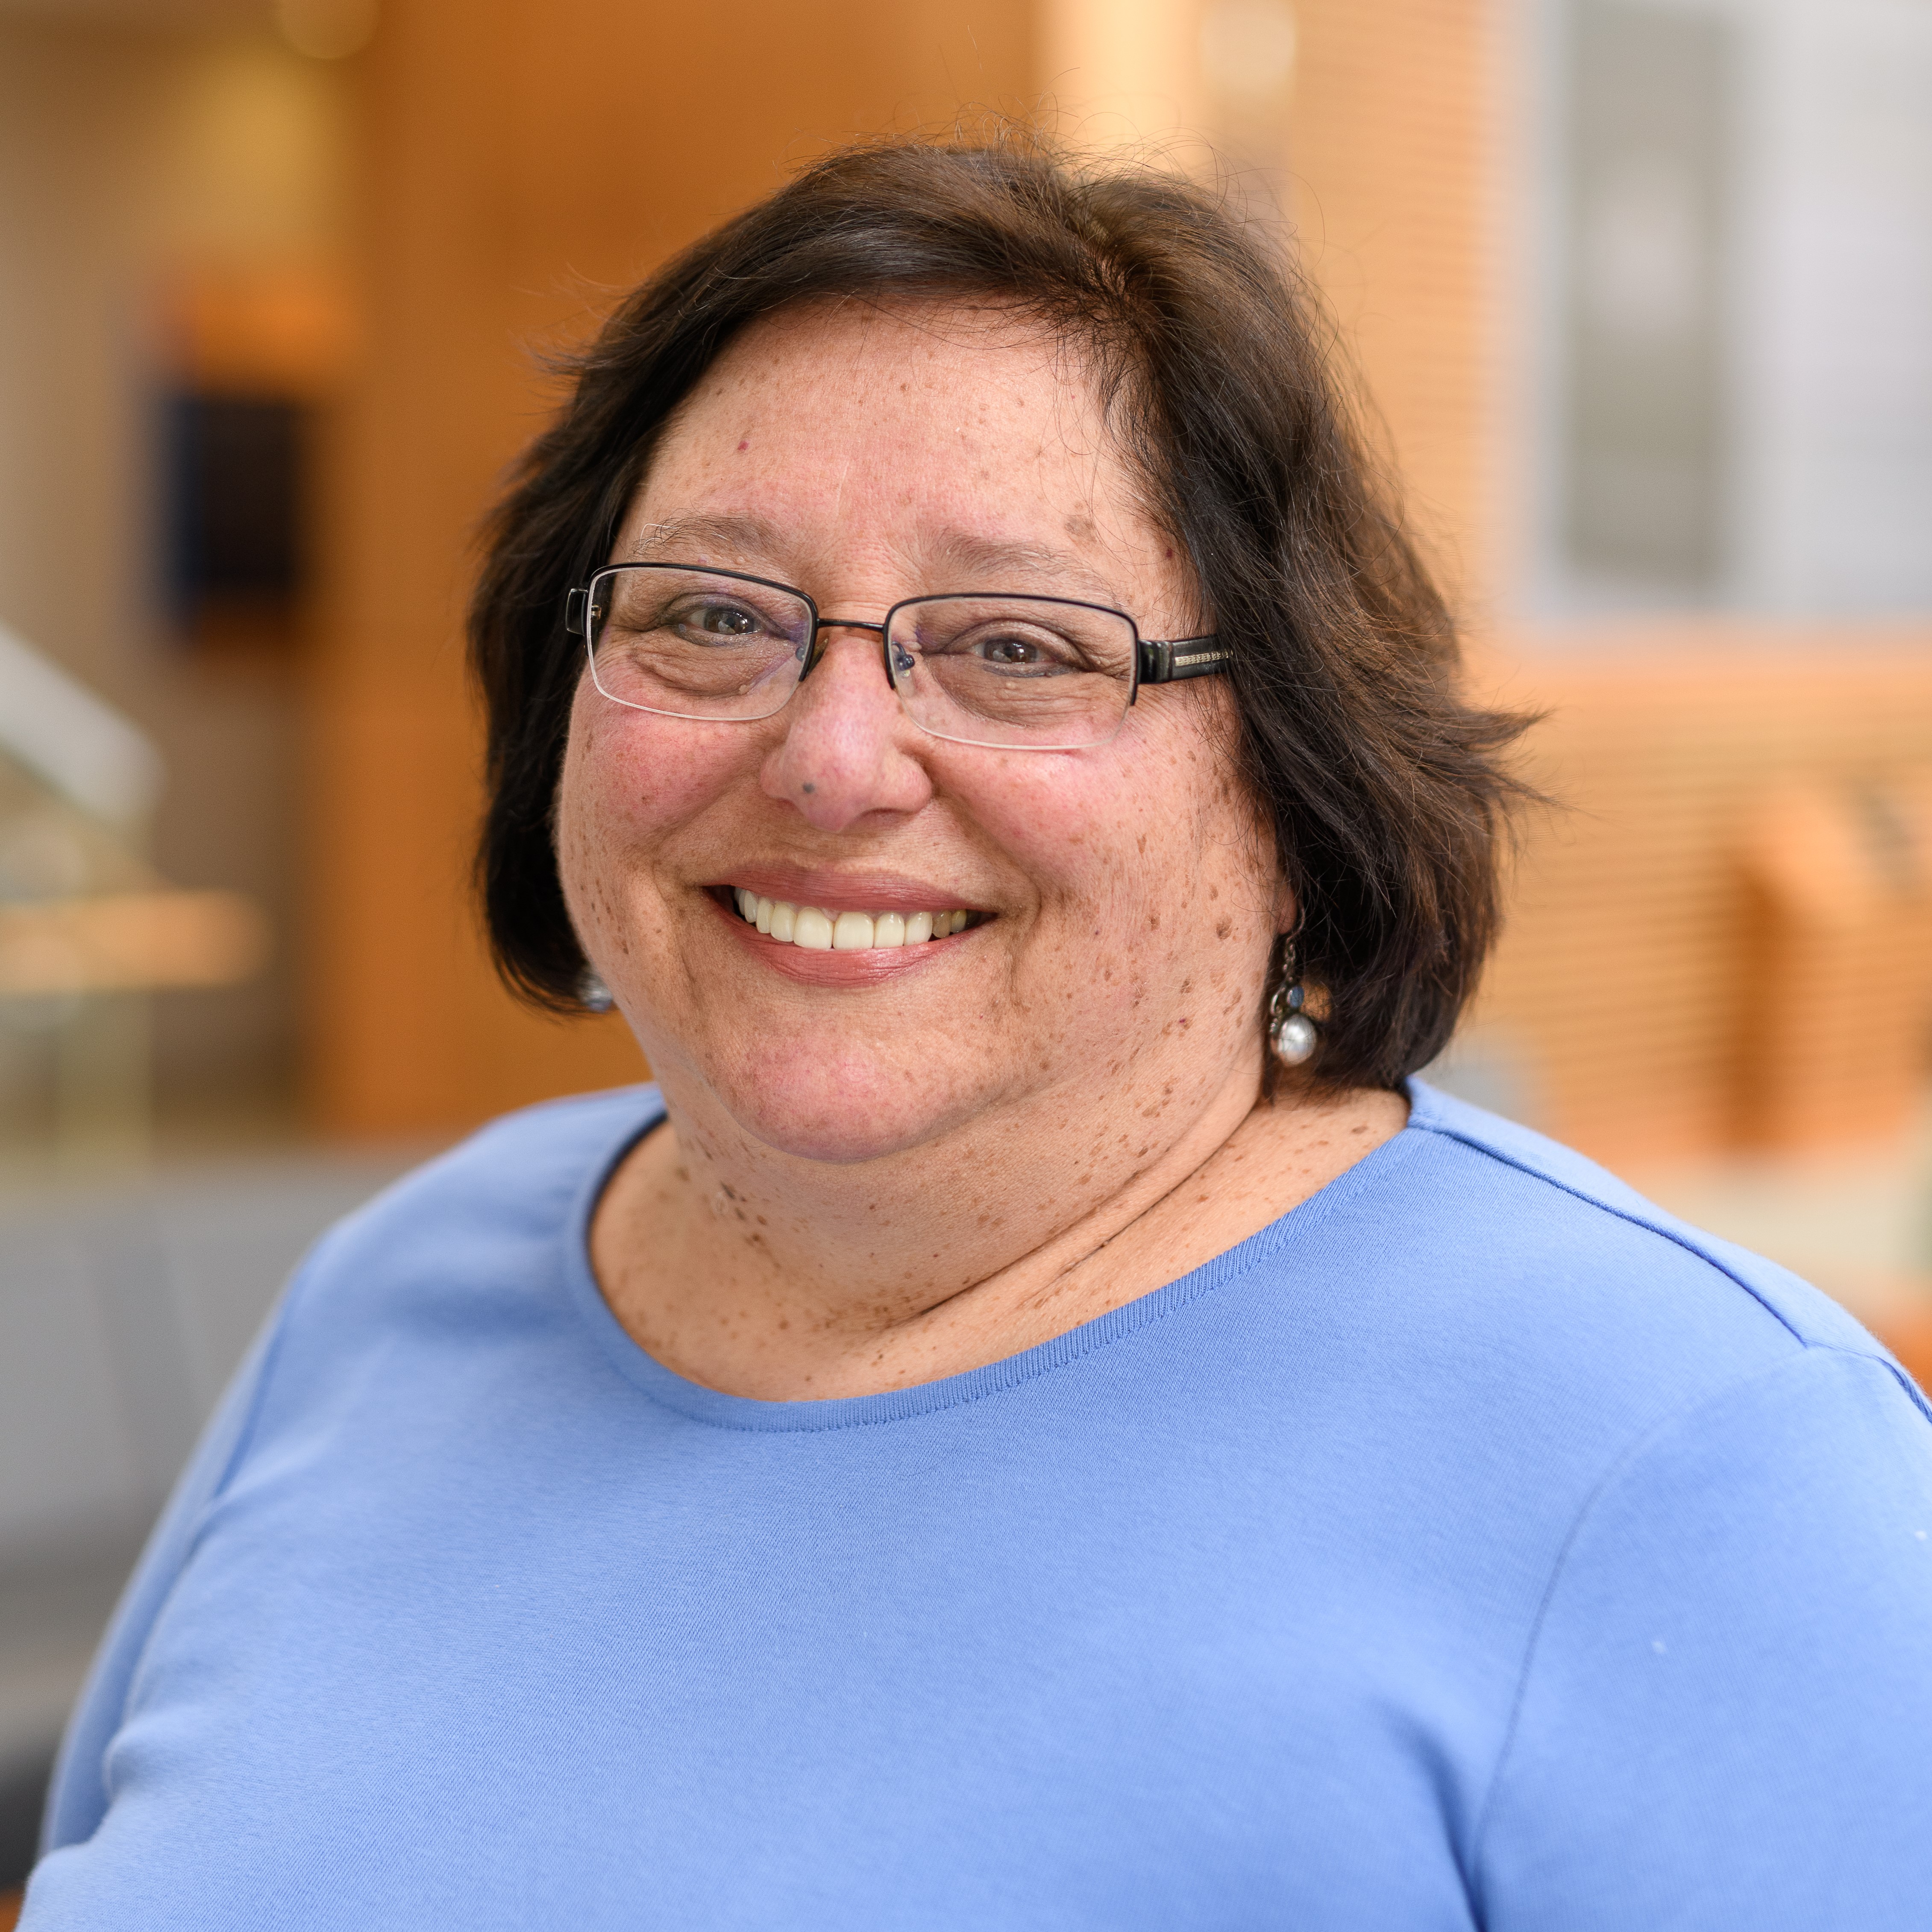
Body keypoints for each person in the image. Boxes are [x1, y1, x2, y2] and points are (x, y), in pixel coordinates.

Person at [24, 139, 1932, 1930]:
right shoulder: (397, 1291)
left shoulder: (1698, 1465)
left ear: (1293, 784)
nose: (834, 759)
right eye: (710, 614)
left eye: (1020, 646)